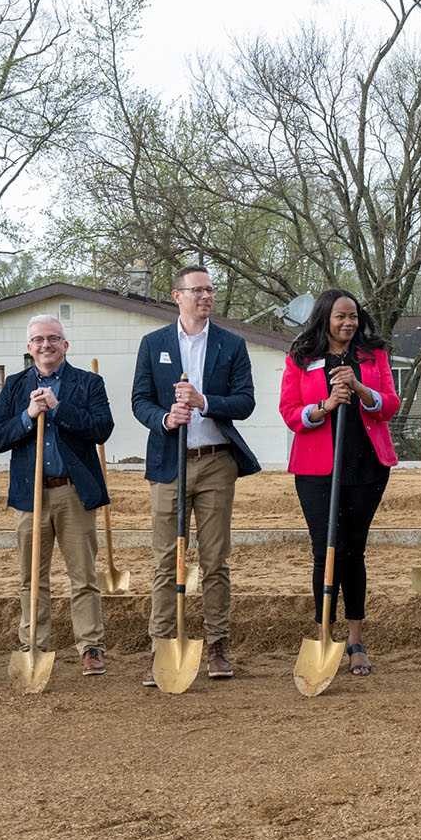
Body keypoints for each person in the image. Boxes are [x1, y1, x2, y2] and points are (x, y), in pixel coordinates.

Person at [132, 265, 260, 683]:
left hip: (216, 462)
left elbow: (244, 402)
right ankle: (163, 646)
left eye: (210, 290)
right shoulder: (154, 344)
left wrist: (205, 401)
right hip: (170, 462)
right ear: (177, 295)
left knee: (215, 558)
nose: (206, 296)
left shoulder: (231, 345)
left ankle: (218, 646)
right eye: (197, 290)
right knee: (166, 560)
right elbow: (139, 401)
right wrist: (165, 417)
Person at [277, 288, 399, 677]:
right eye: (340, 317)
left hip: (366, 466)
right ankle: (324, 633)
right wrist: (325, 406)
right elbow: (289, 411)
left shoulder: (372, 355)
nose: (348, 323)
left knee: (353, 551)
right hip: (316, 468)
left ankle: (356, 639)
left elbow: (390, 406)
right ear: (324, 319)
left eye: (353, 316)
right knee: (324, 550)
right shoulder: (302, 357)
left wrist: (361, 389)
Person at [0, 314, 115, 677]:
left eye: (53, 339)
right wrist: (28, 415)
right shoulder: (15, 386)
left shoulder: (88, 383)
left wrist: (59, 408)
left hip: (73, 492)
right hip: (32, 496)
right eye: (39, 340)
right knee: (31, 578)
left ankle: (90, 646)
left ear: (65, 345)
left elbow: (101, 429)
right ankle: (34, 644)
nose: (46, 345)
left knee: (83, 575)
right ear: (29, 348)